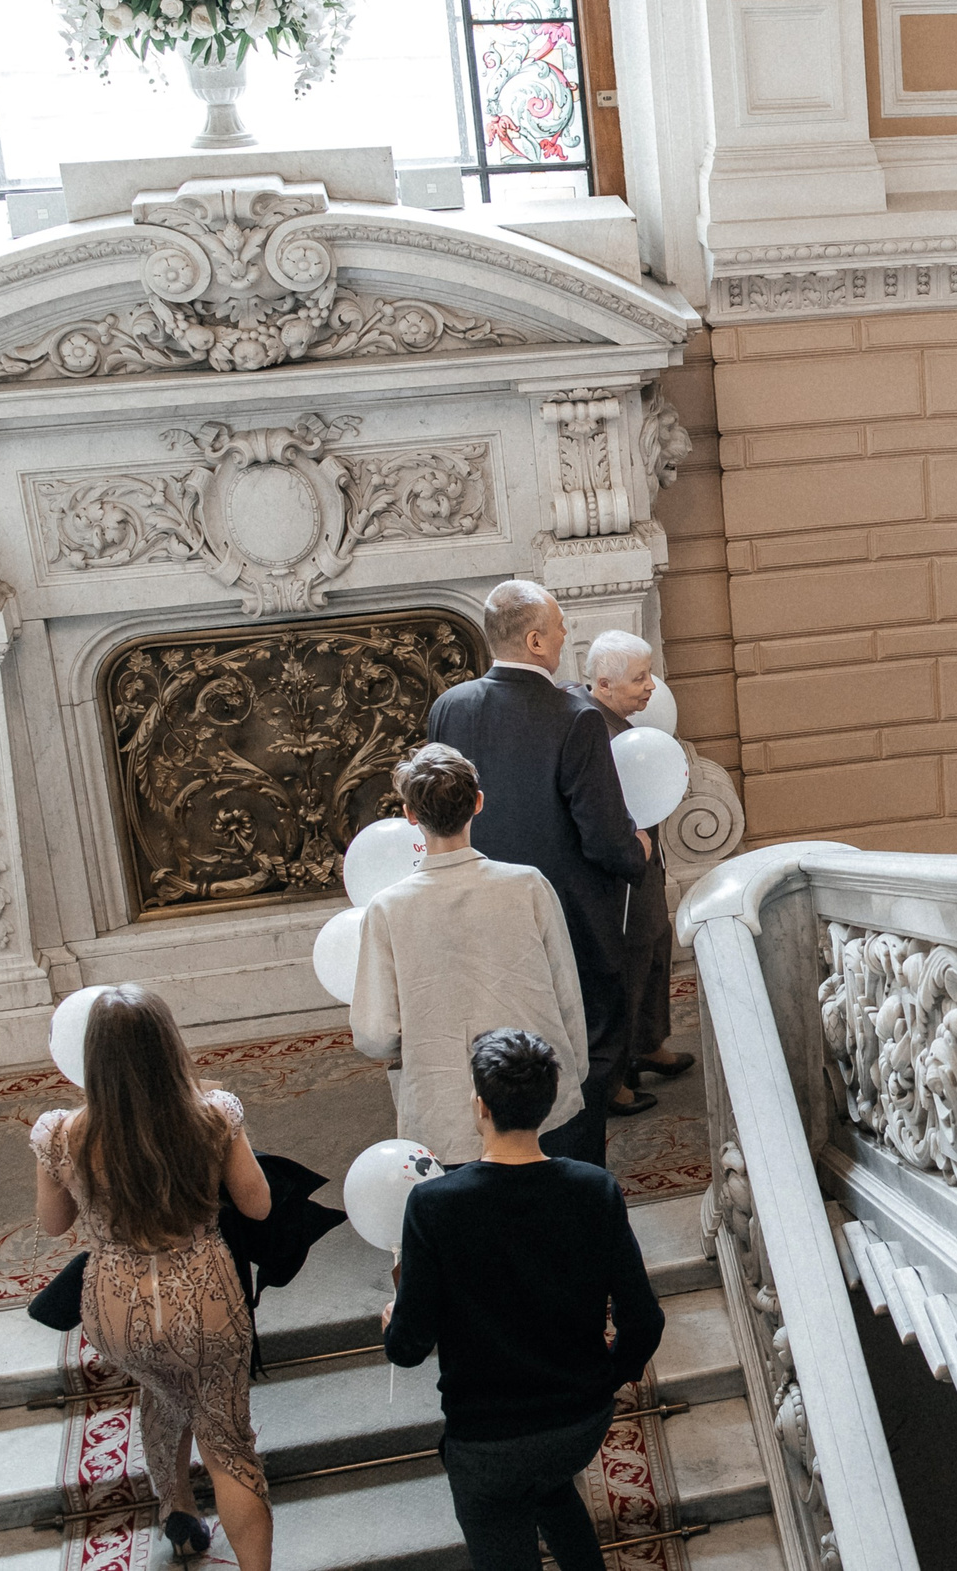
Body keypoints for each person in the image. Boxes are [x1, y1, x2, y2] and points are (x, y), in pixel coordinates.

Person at [382, 1029, 665, 1571]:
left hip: (487, 1440)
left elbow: (409, 1348)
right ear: (548, 1103)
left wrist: (396, 1319)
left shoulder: (434, 1205)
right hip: (579, 1423)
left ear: (480, 1106)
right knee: (550, 1485)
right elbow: (644, 1321)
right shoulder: (594, 1188)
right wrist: (601, 1382)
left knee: (508, 1512)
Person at [29, 985, 276, 1570]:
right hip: (203, 1297)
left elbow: (53, 1223)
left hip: (117, 1304)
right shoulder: (214, 1116)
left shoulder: (62, 1133)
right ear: (170, 1047)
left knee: (163, 1389)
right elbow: (258, 1204)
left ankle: (178, 1511)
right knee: (228, 1446)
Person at [427, 579, 648, 1164]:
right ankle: (572, 1178)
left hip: (476, 915)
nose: (565, 635)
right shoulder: (576, 716)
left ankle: (500, 1167)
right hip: (569, 922)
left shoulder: (449, 707)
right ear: (534, 641)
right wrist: (638, 854)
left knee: (499, 1052)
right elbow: (604, 837)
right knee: (584, 1056)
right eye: (557, 628)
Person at [351, 743, 591, 1162]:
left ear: (410, 814)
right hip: (536, 1095)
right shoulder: (528, 885)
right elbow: (566, 992)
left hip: (443, 1102)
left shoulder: (388, 908)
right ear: (478, 803)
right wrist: (573, 1073)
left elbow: (374, 1034)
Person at [572, 630, 695, 1118]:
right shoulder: (589, 728)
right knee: (628, 960)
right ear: (604, 684)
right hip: (617, 865)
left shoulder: (624, 720)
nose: (651, 687)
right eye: (640, 678)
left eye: (650, 674)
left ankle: (649, 1043)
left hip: (646, 859)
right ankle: (615, 1075)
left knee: (656, 944)